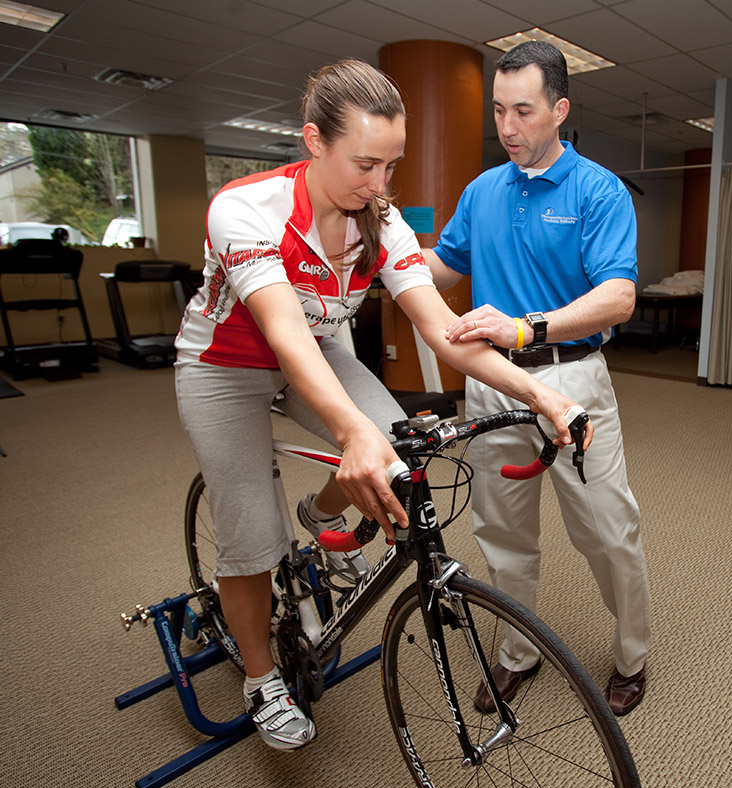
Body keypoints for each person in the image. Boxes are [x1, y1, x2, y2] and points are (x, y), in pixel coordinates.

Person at [174, 58, 593, 751]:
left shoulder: (383, 221)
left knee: (398, 440)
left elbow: (444, 332)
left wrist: (543, 391)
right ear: (314, 140)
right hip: (226, 365)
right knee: (251, 535)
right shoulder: (246, 208)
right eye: (364, 165)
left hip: (315, 348)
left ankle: (321, 516)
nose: (379, 186)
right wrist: (350, 432)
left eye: (391, 167)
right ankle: (259, 680)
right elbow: (282, 332)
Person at [421, 40, 652, 716]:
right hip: (491, 382)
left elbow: (618, 298)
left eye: (524, 111)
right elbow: (441, 271)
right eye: (499, 112)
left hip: (572, 380)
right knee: (503, 534)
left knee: (608, 531)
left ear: (560, 110)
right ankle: (516, 652)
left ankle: (632, 653)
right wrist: (392, 258)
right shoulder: (481, 191)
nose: (509, 128)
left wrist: (531, 326)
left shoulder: (598, 190)